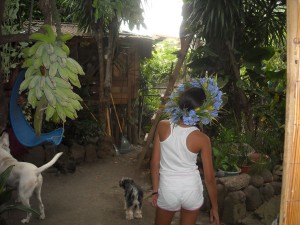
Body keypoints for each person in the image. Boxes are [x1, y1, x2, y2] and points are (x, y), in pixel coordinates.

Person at [150, 77, 223, 225]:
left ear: (180, 103)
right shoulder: (202, 138)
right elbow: (209, 178)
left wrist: (155, 190)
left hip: (168, 189)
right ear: (203, 110)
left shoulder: (163, 126)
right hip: (192, 190)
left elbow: (154, 163)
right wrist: (215, 208)